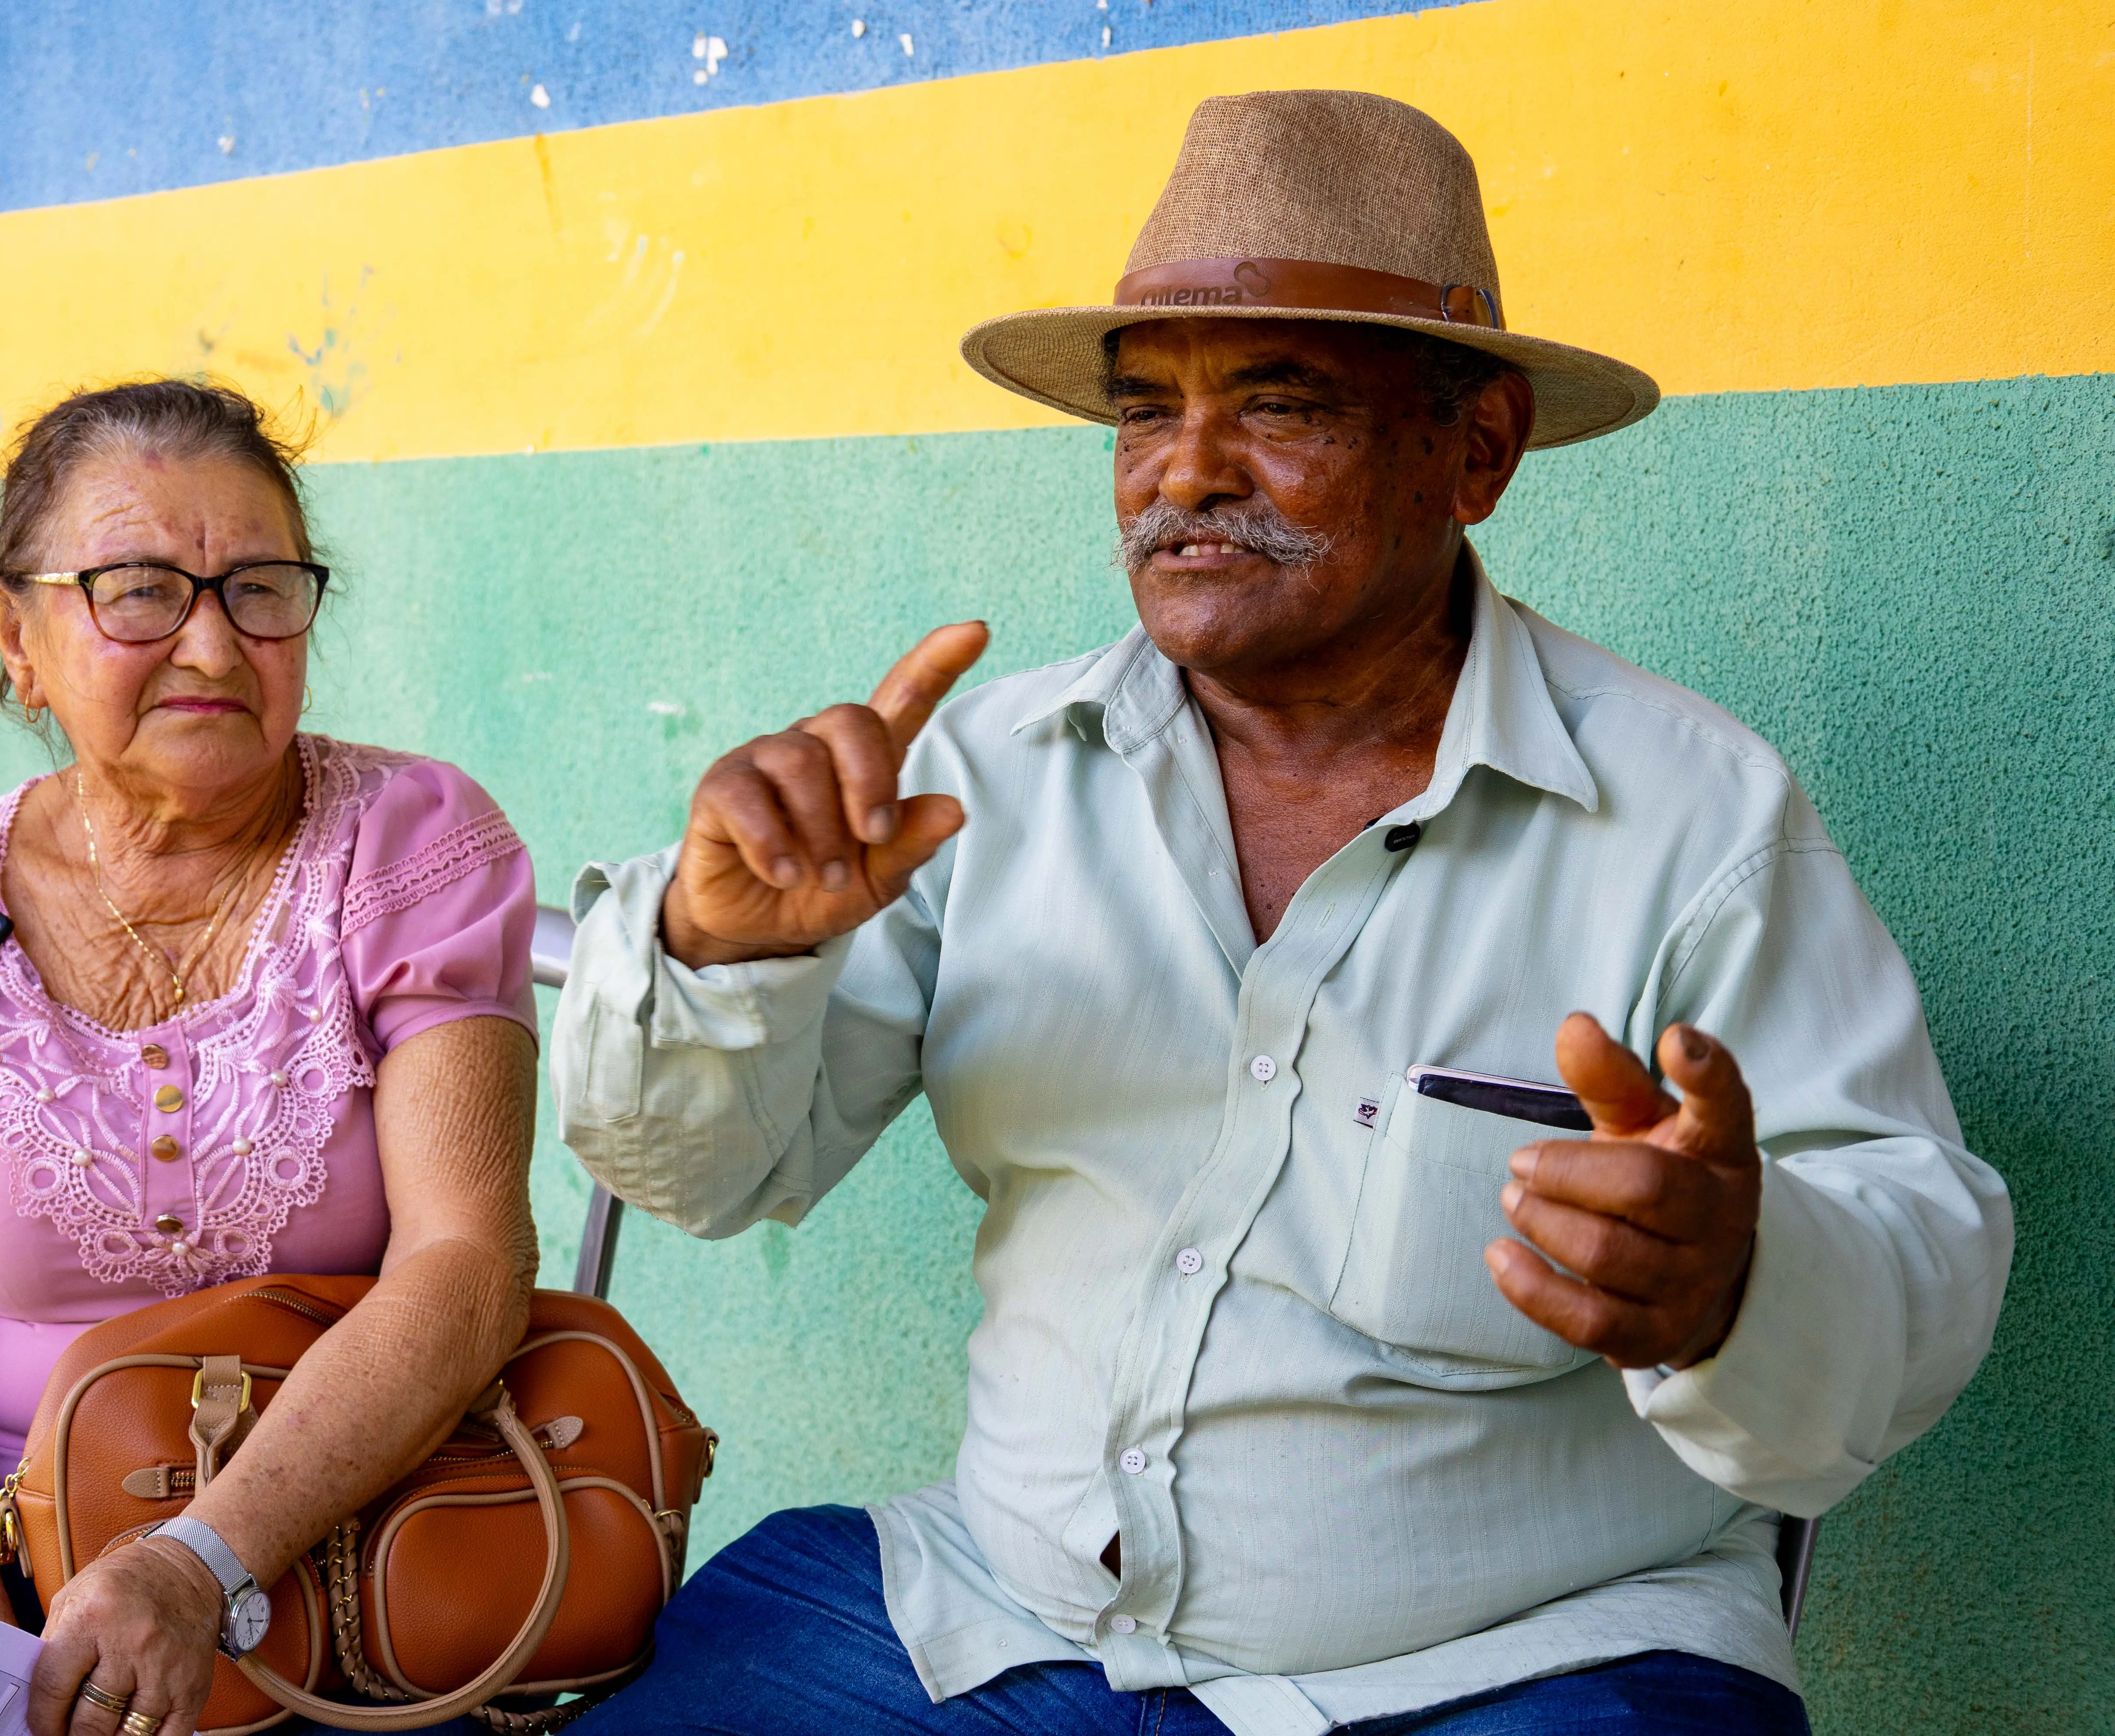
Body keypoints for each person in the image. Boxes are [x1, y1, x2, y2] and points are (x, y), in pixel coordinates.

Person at [552, 92, 2012, 1735]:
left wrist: (1742, 1277)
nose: (1185, 474)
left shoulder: (1694, 818)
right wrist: (727, 951)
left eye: (1280, 404)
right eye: (1141, 413)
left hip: (1517, 1665)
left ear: (1477, 452)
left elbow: (1925, 1235)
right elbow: (702, 1172)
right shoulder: (979, 778)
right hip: (997, 1622)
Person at [0, 381, 542, 1736]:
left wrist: (195, 1560)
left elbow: (470, 1263)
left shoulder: (409, 845)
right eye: (140, 590)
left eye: (261, 588)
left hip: (349, 1529)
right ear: (16, 633)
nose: (213, 645)